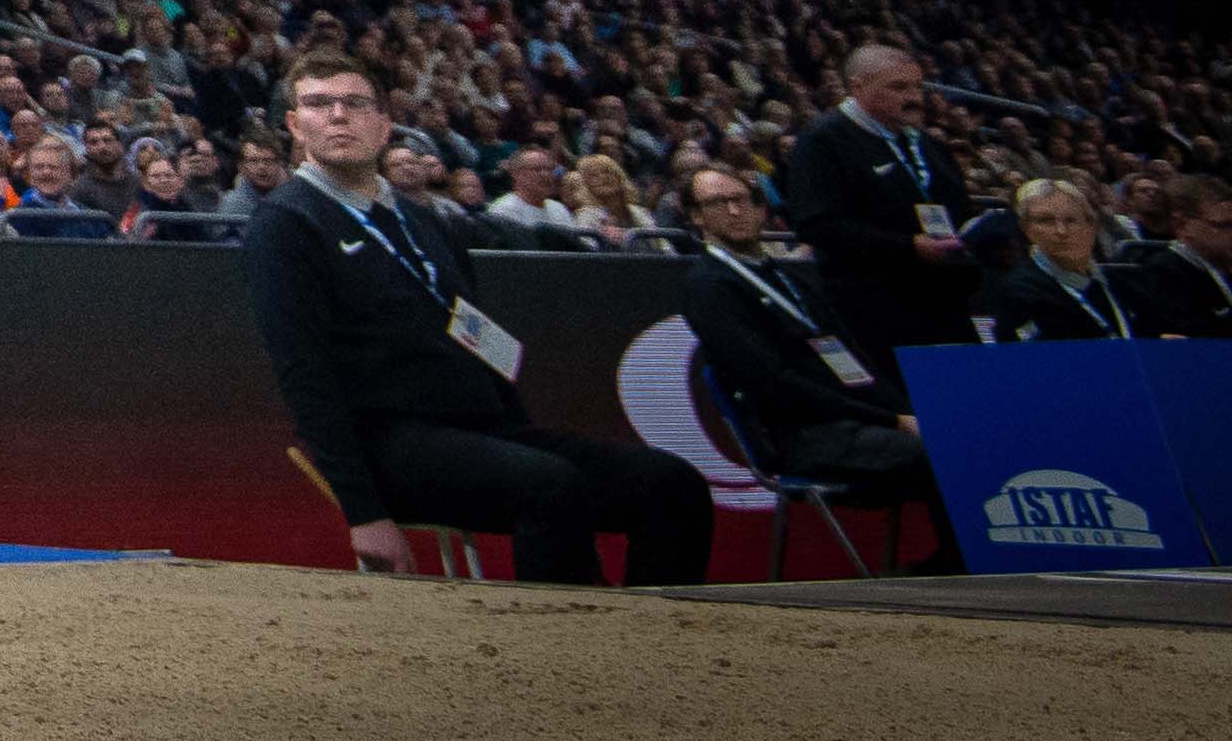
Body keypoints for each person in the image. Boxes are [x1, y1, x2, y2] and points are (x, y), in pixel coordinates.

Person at [242, 46, 714, 586]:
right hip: (388, 442)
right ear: (294, 125)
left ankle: (661, 648)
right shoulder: (285, 223)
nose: (338, 116)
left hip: (481, 430)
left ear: (384, 123)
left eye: (354, 103)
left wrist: (515, 432)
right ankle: (575, 654)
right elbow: (305, 373)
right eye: (319, 104)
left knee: (670, 484)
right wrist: (363, 512)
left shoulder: (426, 221)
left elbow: (472, 330)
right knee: (550, 486)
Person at [680, 167, 958, 568]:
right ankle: (952, 568)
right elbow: (775, 383)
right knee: (938, 451)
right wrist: (893, 420)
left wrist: (907, 412)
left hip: (853, 420)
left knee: (959, 436)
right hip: (800, 434)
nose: (735, 210)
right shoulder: (709, 287)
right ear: (696, 217)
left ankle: (959, 561)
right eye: (717, 203)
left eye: (744, 199)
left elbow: (855, 360)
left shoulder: (787, 276)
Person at [778, 44, 976, 391]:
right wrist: (908, 246)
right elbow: (816, 224)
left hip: (943, 304)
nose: (914, 98)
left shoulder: (927, 145)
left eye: (917, 87)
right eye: (899, 88)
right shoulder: (823, 140)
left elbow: (958, 207)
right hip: (872, 312)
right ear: (858, 87)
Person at [978, 178, 1144, 343]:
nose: (1061, 231)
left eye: (1071, 220)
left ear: (1091, 226)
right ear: (1027, 229)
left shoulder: (1119, 283)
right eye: (1046, 221)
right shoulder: (1019, 291)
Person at [1128, 174, 1232, 336]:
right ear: (1181, 225)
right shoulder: (1163, 272)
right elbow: (1191, 340)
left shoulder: (1222, 266)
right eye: (1224, 225)